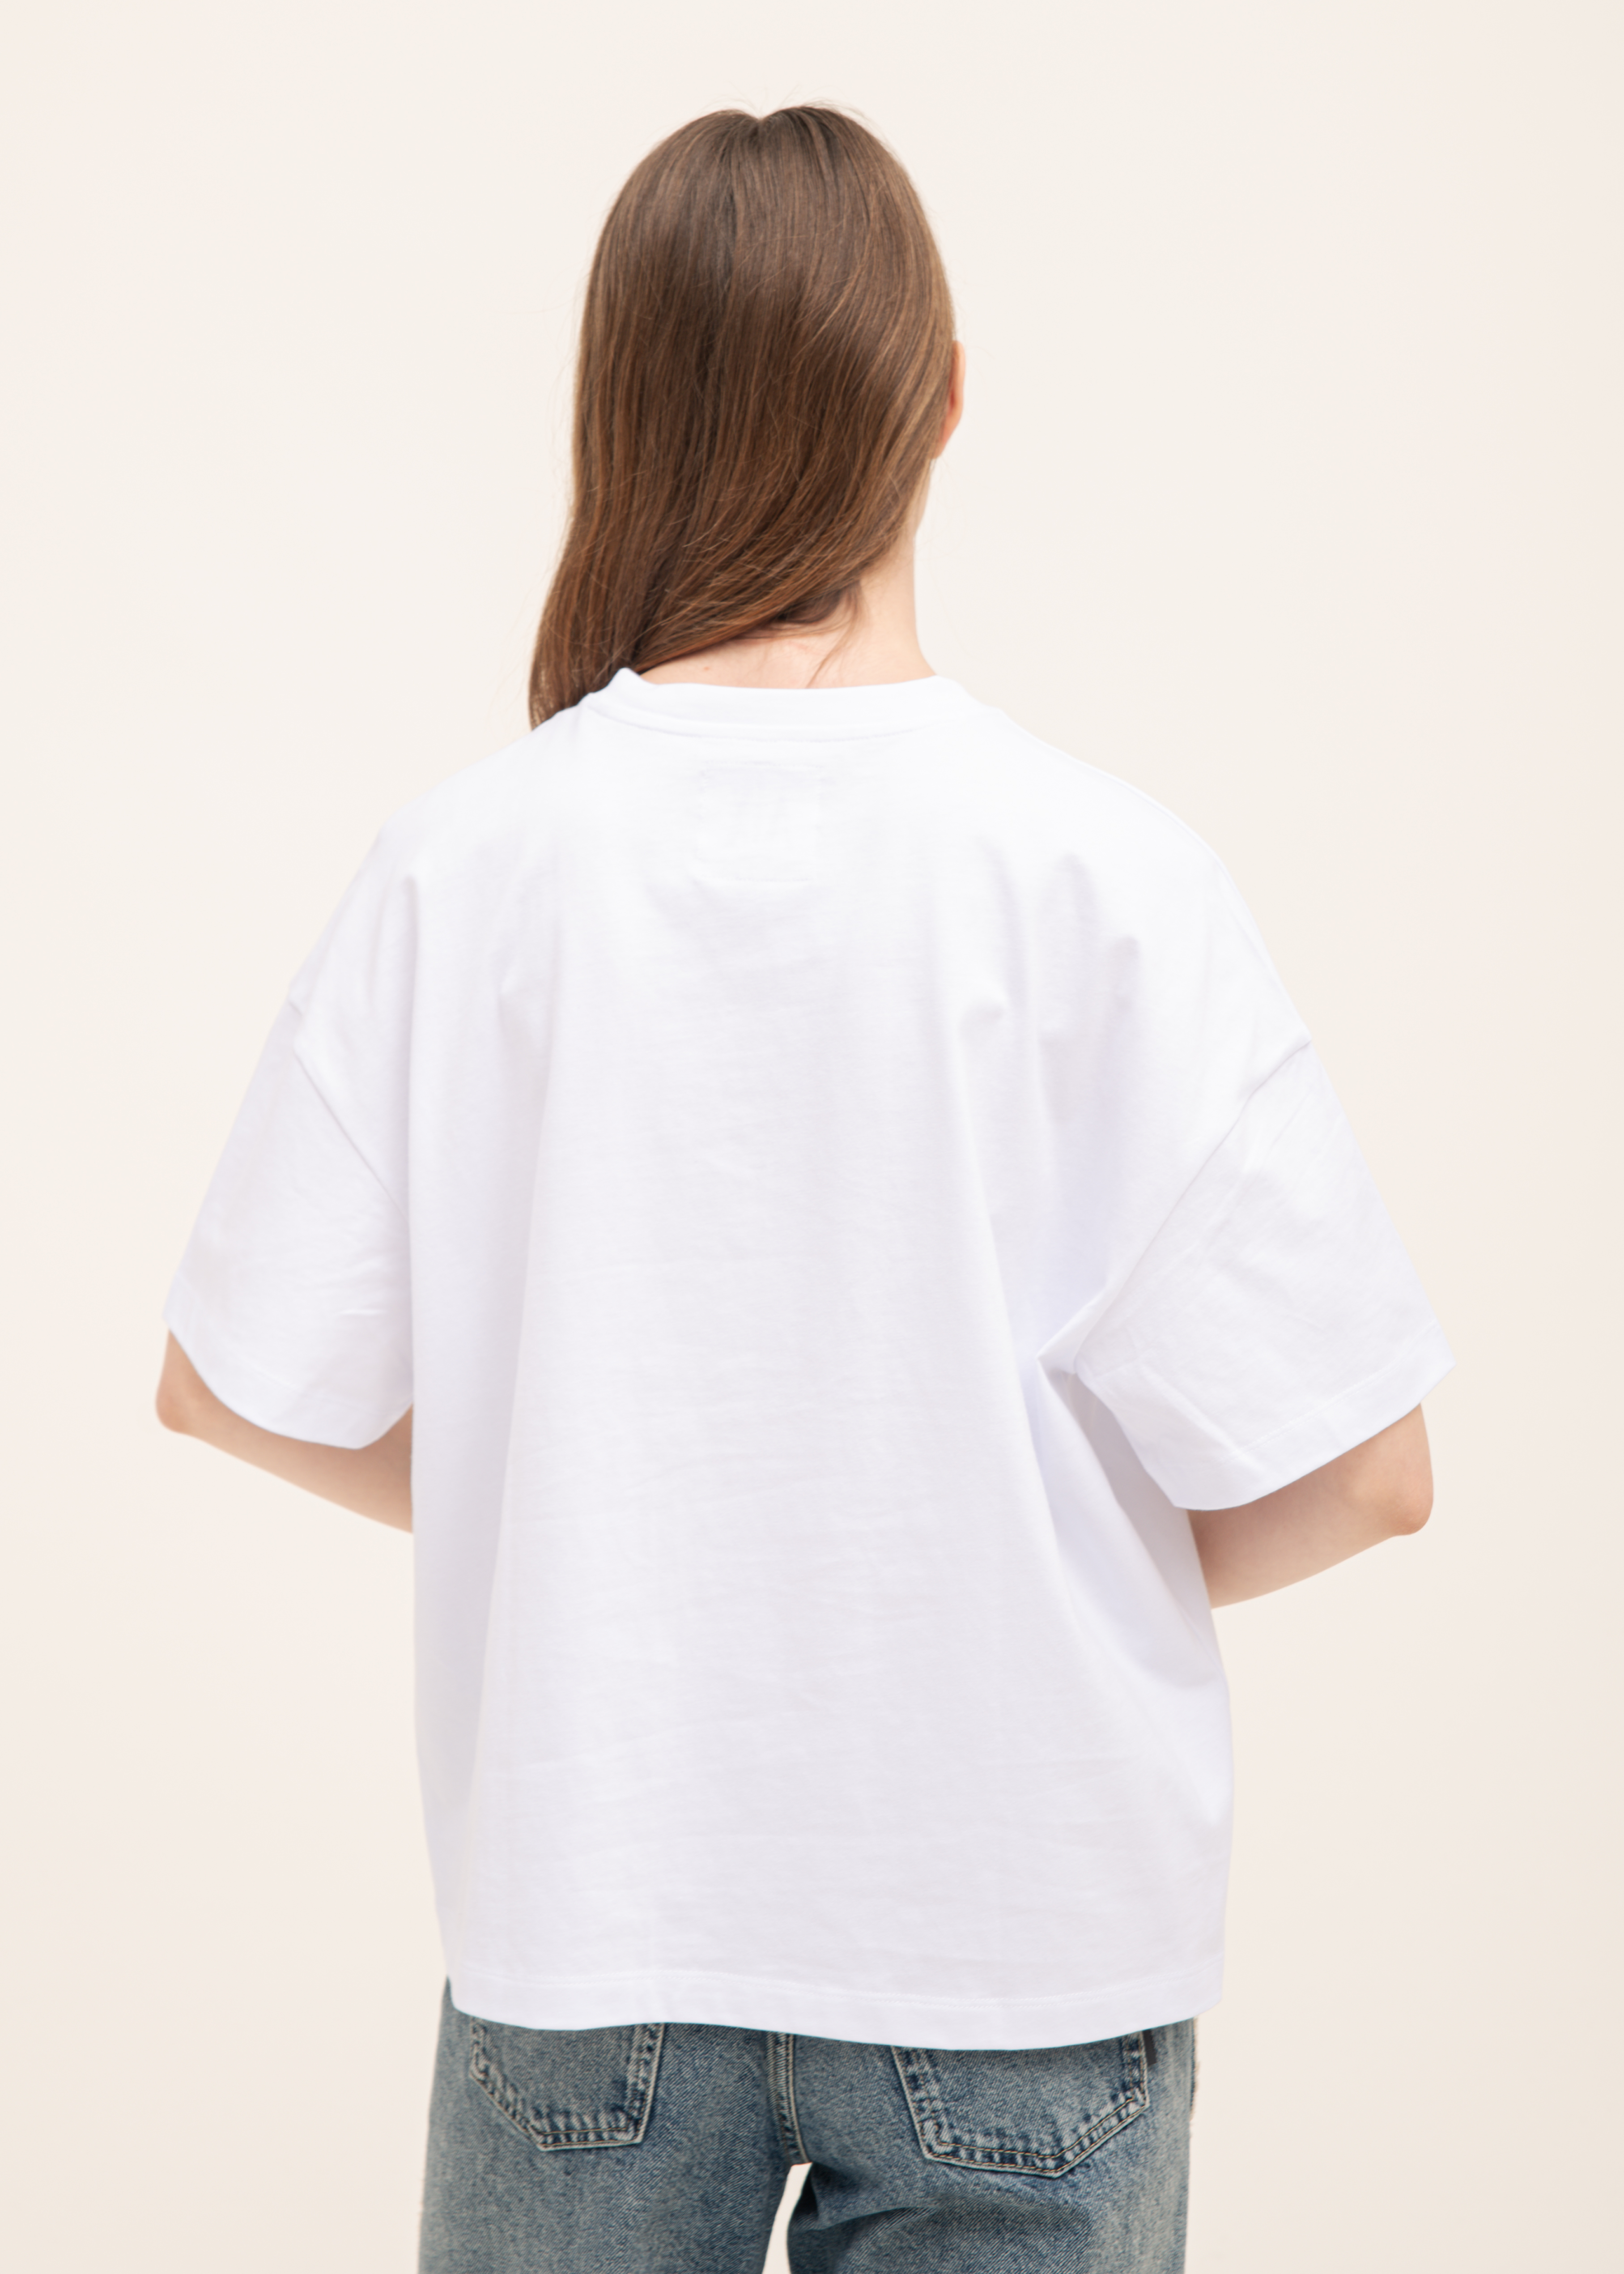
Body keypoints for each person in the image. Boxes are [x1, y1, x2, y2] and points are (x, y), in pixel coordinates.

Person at [156, 106, 1451, 2274]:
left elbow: (233, 1376)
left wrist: (579, 1516)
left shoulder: (469, 869)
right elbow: (1367, 1471)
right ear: (939, 397)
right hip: (1020, 1941)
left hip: (589, 1924)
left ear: (624, 412)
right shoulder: (1104, 881)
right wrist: (1004, 1568)